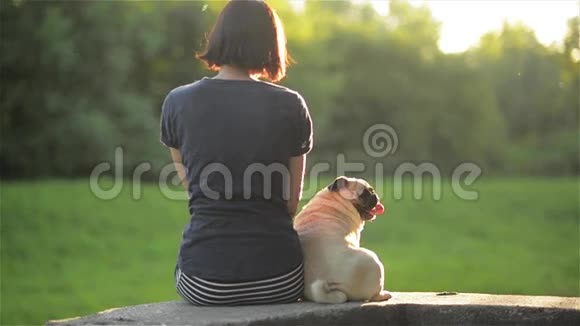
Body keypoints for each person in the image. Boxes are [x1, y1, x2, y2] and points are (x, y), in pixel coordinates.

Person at [160, 0, 313, 306]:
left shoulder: (177, 102)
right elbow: (291, 203)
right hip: (280, 280)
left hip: (203, 283)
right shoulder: (291, 105)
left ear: (219, 37)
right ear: (271, 44)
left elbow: (195, 189)